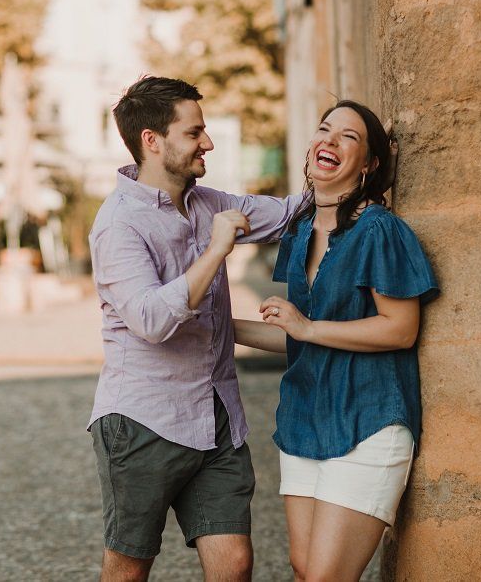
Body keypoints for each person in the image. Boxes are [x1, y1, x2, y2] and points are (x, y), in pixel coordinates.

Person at [86, 76, 307, 582]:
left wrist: (344, 161)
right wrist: (216, 251)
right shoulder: (118, 223)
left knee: (234, 563)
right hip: (143, 421)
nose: (207, 142)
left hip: (217, 418)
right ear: (152, 140)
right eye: (194, 133)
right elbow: (149, 320)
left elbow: (296, 214)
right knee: (129, 566)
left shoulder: (210, 204)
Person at [233, 100, 439, 582]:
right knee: (306, 568)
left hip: (367, 420)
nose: (329, 139)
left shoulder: (379, 230)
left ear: (368, 165)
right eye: (324, 129)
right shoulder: (302, 232)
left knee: (325, 576)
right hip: (306, 418)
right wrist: (223, 331)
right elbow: (301, 338)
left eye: (349, 136)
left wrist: (306, 327)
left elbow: (400, 327)